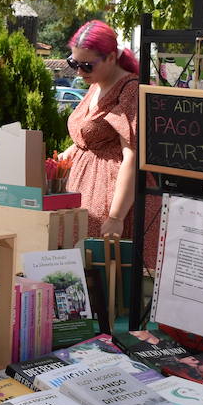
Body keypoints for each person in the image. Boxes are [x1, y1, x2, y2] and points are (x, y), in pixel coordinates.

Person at [59, 20, 141, 242]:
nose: (78, 72)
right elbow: (89, 139)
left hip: (108, 199)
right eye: (74, 63)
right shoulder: (96, 83)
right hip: (80, 193)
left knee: (100, 271)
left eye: (86, 66)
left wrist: (116, 216)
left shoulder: (130, 89)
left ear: (111, 58)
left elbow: (132, 156)